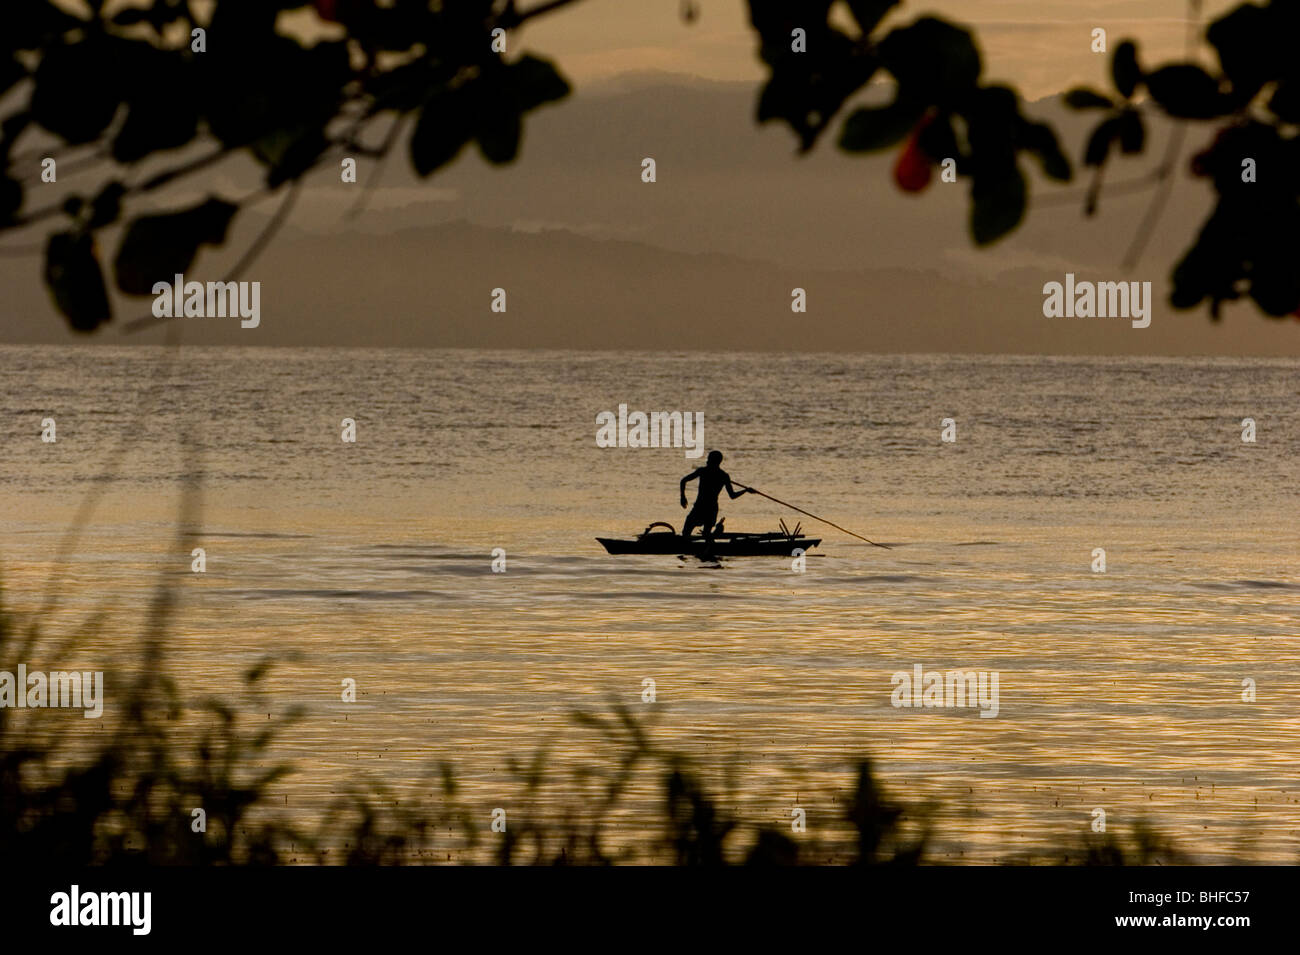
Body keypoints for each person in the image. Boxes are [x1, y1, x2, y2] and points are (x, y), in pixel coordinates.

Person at [680, 451, 753, 544]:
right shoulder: (723, 475)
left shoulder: (703, 471)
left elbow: (683, 481)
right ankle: (706, 553)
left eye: (709, 459)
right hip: (710, 508)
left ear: (713, 461)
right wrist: (746, 491)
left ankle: (694, 550)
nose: (707, 461)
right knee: (705, 534)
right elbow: (732, 495)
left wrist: (683, 497)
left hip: (701, 508)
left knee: (687, 533)